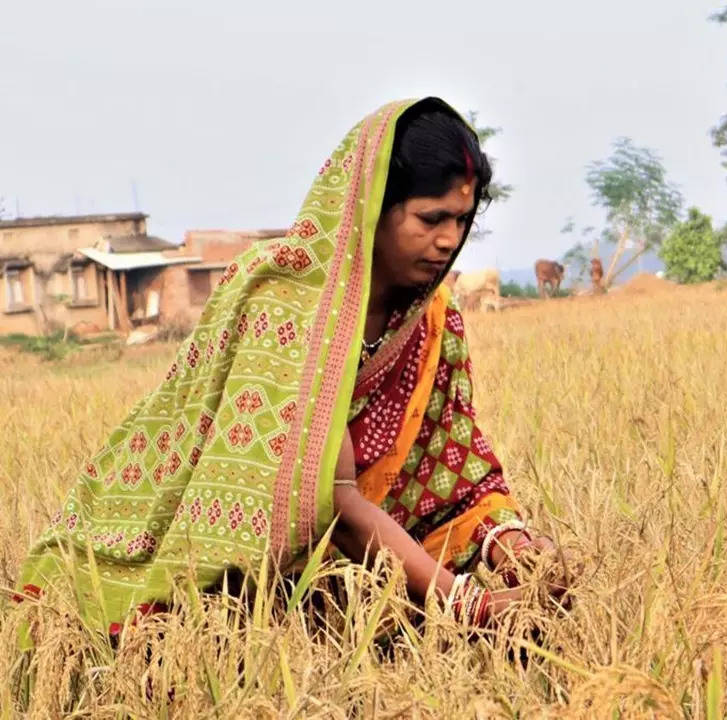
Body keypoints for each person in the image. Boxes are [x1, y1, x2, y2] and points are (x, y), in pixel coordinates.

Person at [16, 97, 572, 636]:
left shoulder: (432, 318)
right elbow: (331, 496)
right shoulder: (282, 300)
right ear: (373, 205)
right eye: (431, 218)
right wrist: (469, 605)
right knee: (197, 633)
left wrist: (518, 548)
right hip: (226, 562)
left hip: (368, 557)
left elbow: (457, 468)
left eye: (461, 219)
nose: (449, 240)